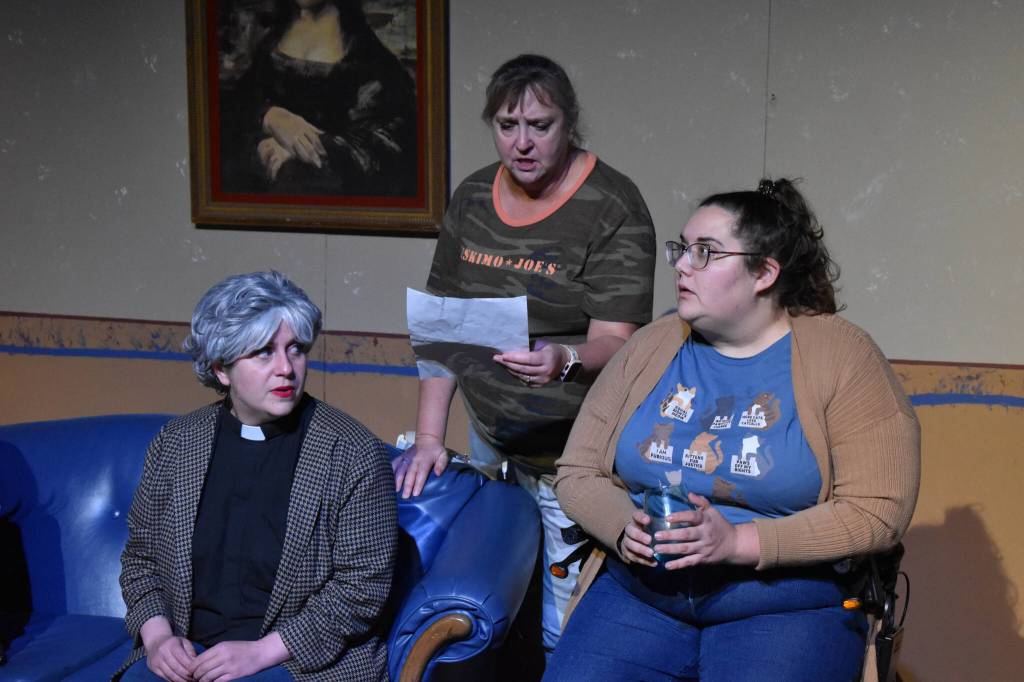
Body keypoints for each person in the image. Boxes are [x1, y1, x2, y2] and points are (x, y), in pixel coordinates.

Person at [546, 179, 921, 681]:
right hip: (641, 596)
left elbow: (878, 512)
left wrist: (739, 543)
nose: (681, 265)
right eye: (683, 249)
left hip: (783, 606)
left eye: (706, 253)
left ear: (763, 272)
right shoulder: (653, 345)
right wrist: (622, 525)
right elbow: (577, 470)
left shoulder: (844, 358)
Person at [392, 54, 657, 657]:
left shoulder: (611, 205)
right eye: (508, 126)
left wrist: (564, 357)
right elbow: (443, 328)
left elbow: (619, 341)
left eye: (541, 125)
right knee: (486, 591)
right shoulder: (475, 196)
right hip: (491, 432)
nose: (523, 143)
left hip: (576, 447)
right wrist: (431, 437)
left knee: (564, 618)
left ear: (569, 125)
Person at [116, 271, 397, 681]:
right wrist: (158, 638)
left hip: (298, 662)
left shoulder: (352, 452)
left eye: (296, 349)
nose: (286, 368)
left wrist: (261, 654)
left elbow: (361, 591)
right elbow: (140, 559)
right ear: (222, 368)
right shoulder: (176, 443)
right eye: (264, 352)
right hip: (187, 655)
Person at [219, 0, 417, 196]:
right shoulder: (268, 45)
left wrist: (299, 153)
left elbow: (384, 155)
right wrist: (269, 119)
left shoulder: (375, 65)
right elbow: (233, 118)